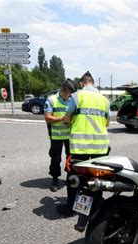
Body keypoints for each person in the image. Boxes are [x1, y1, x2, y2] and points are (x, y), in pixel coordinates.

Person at [57, 71, 110, 217]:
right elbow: (107, 123)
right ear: (93, 82)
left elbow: (67, 119)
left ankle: (71, 209)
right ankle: (96, 206)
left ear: (81, 83)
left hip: (80, 147)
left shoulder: (77, 95)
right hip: (101, 147)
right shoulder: (104, 100)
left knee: (74, 177)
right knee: (98, 176)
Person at [44, 79, 76, 192]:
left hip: (69, 136)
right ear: (64, 90)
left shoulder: (72, 99)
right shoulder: (51, 100)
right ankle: (55, 178)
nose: (70, 96)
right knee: (55, 158)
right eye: (69, 93)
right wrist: (62, 119)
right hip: (56, 135)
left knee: (70, 158)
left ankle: (69, 177)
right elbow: (47, 118)